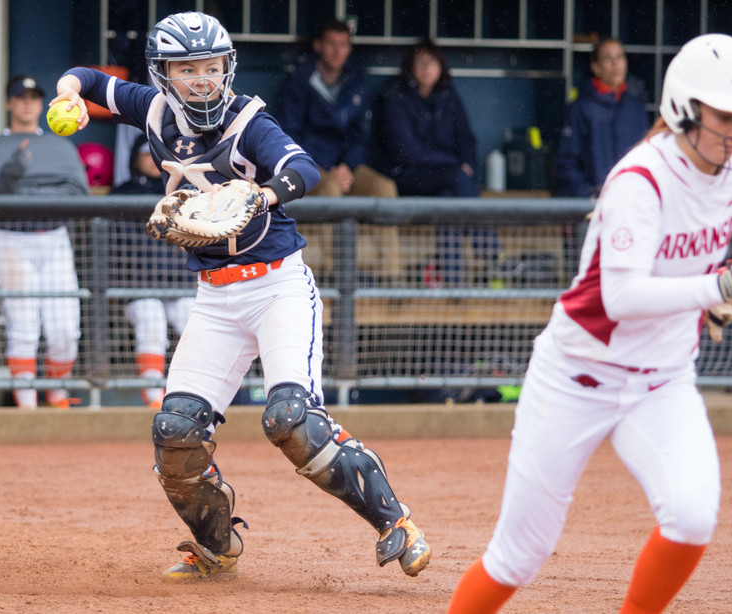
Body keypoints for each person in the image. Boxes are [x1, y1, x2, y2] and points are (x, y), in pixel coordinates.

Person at [53, 11, 431, 581]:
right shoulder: (151, 106)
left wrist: (262, 195)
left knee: (291, 421)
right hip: (215, 297)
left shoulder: (246, 119)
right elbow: (84, 77)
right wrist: (70, 97)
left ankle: (395, 522)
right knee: (175, 432)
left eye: (211, 67)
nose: (201, 80)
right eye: (187, 69)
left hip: (278, 285)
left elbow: (301, 167)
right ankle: (216, 546)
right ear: (163, 74)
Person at [447, 33, 732, 614]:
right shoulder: (639, 179)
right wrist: (717, 286)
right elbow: (620, 296)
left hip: (663, 379)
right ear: (683, 109)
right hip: (577, 375)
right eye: (726, 117)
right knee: (519, 555)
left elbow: (689, 260)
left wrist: (710, 285)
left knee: (692, 517)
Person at [0, 74, 90, 409]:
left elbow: (77, 192)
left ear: (42, 104)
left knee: (65, 328)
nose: (27, 103)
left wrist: (27, 187)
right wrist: (13, 172)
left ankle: (57, 398)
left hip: (53, 237)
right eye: (20, 97)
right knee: (24, 327)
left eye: (34, 98)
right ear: (9, 103)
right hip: (11, 238)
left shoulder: (60, 144)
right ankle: (27, 408)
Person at [380, 40, 491, 284]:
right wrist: (454, 164)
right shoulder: (396, 97)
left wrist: (467, 162)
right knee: (456, 179)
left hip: (443, 178)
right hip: (407, 176)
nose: (427, 67)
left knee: (449, 200)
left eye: (432, 62)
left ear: (441, 66)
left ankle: (453, 280)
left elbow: (466, 138)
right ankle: (491, 254)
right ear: (410, 67)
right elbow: (408, 153)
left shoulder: (447, 96)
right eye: (420, 62)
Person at [111, 136, 194, 409]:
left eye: (156, 155)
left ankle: (191, 395)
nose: (151, 160)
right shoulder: (121, 195)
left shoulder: (183, 195)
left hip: (180, 284)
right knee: (152, 324)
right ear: (135, 158)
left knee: (193, 327)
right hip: (138, 287)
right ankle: (153, 398)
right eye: (146, 154)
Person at [275, 19, 396, 198]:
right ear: (318, 46)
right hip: (308, 163)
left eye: (343, 44)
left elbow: (361, 137)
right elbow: (290, 133)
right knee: (330, 189)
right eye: (331, 44)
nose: (337, 51)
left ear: (349, 48)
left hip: (345, 167)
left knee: (384, 189)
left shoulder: (356, 84)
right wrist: (328, 167)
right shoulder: (299, 81)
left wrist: (347, 166)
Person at [554, 37, 651, 198]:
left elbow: (648, 157)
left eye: (620, 57)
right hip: (593, 206)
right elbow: (567, 161)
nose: (616, 64)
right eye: (608, 58)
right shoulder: (580, 108)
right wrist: (587, 194)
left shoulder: (636, 107)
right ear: (596, 67)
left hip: (632, 201)